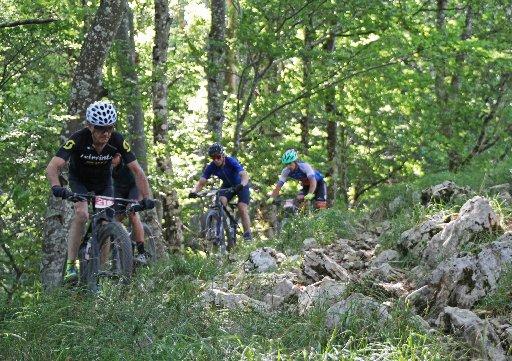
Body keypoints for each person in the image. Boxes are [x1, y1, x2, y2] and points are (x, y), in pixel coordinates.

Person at [46, 100, 155, 282]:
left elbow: (137, 170)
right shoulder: (78, 138)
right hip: (79, 181)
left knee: (106, 222)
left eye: (110, 128)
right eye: (100, 128)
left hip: (104, 183)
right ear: (90, 126)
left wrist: (146, 198)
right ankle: (71, 265)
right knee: (82, 214)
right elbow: (53, 166)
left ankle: (99, 271)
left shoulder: (117, 140)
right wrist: (56, 186)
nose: (106, 133)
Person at [188, 143, 253, 241]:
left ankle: (248, 235)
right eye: (213, 158)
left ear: (223, 155)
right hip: (227, 186)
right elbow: (202, 182)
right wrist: (194, 191)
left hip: (240, 185)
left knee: (242, 207)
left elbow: (244, 175)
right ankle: (219, 230)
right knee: (220, 201)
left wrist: (242, 185)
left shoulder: (230, 161)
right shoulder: (211, 166)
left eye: (218, 157)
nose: (216, 160)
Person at [111, 154, 149, 265]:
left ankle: (142, 252)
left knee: (132, 213)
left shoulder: (128, 162)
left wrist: (142, 198)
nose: (112, 160)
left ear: (119, 156)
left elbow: (140, 176)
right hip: (118, 191)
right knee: (116, 218)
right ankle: (121, 249)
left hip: (133, 188)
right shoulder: (108, 165)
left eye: (114, 157)